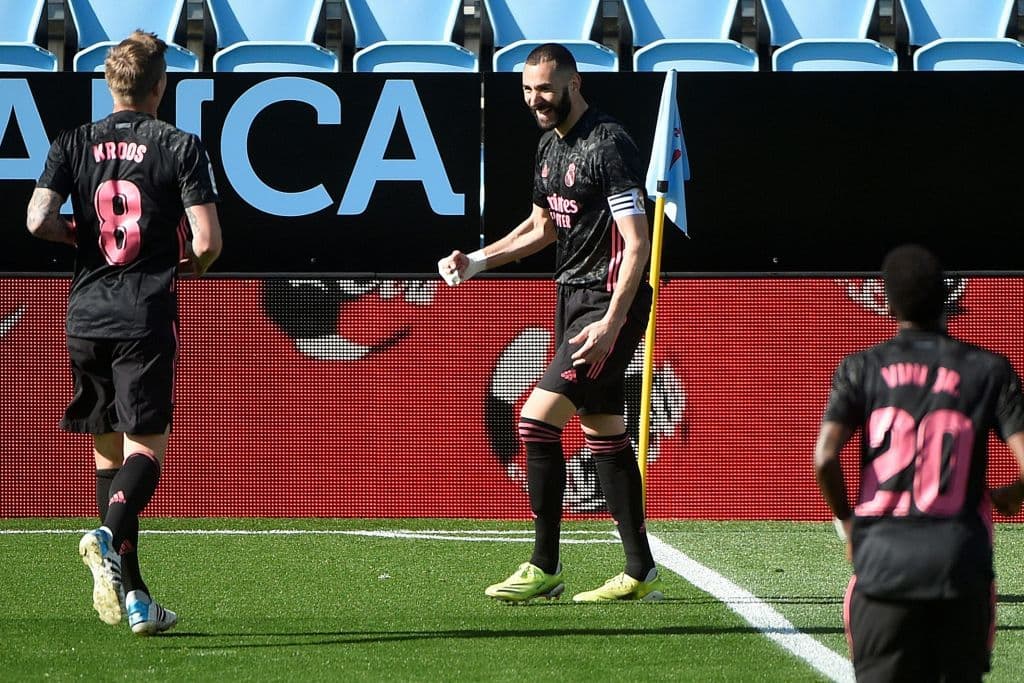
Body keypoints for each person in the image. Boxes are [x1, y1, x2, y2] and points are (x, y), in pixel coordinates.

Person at [438, 43, 661, 603]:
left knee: (536, 421)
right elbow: (542, 227)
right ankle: (640, 572)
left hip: (607, 302)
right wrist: (477, 261)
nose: (535, 99)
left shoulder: (608, 144)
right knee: (603, 430)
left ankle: (544, 566)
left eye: (544, 88)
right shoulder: (549, 145)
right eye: (527, 89)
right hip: (571, 298)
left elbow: (637, 244)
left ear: (573, 84)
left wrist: (611, 323)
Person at [26, 31, 222, 635]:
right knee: (145, 452)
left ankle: (135, 596)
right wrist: (188, 265)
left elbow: (37, 219)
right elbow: (208, 241)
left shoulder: (72, 142)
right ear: (161, 86)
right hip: (142, 313)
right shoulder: (179, 145)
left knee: (108, 457)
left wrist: (78, 236)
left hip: (85, 316)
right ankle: (107, 535)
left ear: (110, 83)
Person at [814, 244, 1024, 681]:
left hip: (883, 567)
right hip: (960, 566)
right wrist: (1013, 494)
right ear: (947, 299)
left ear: (888, 305)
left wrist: (849, 523)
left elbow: (825, 457)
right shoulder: (989, 369)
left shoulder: (861, 368)